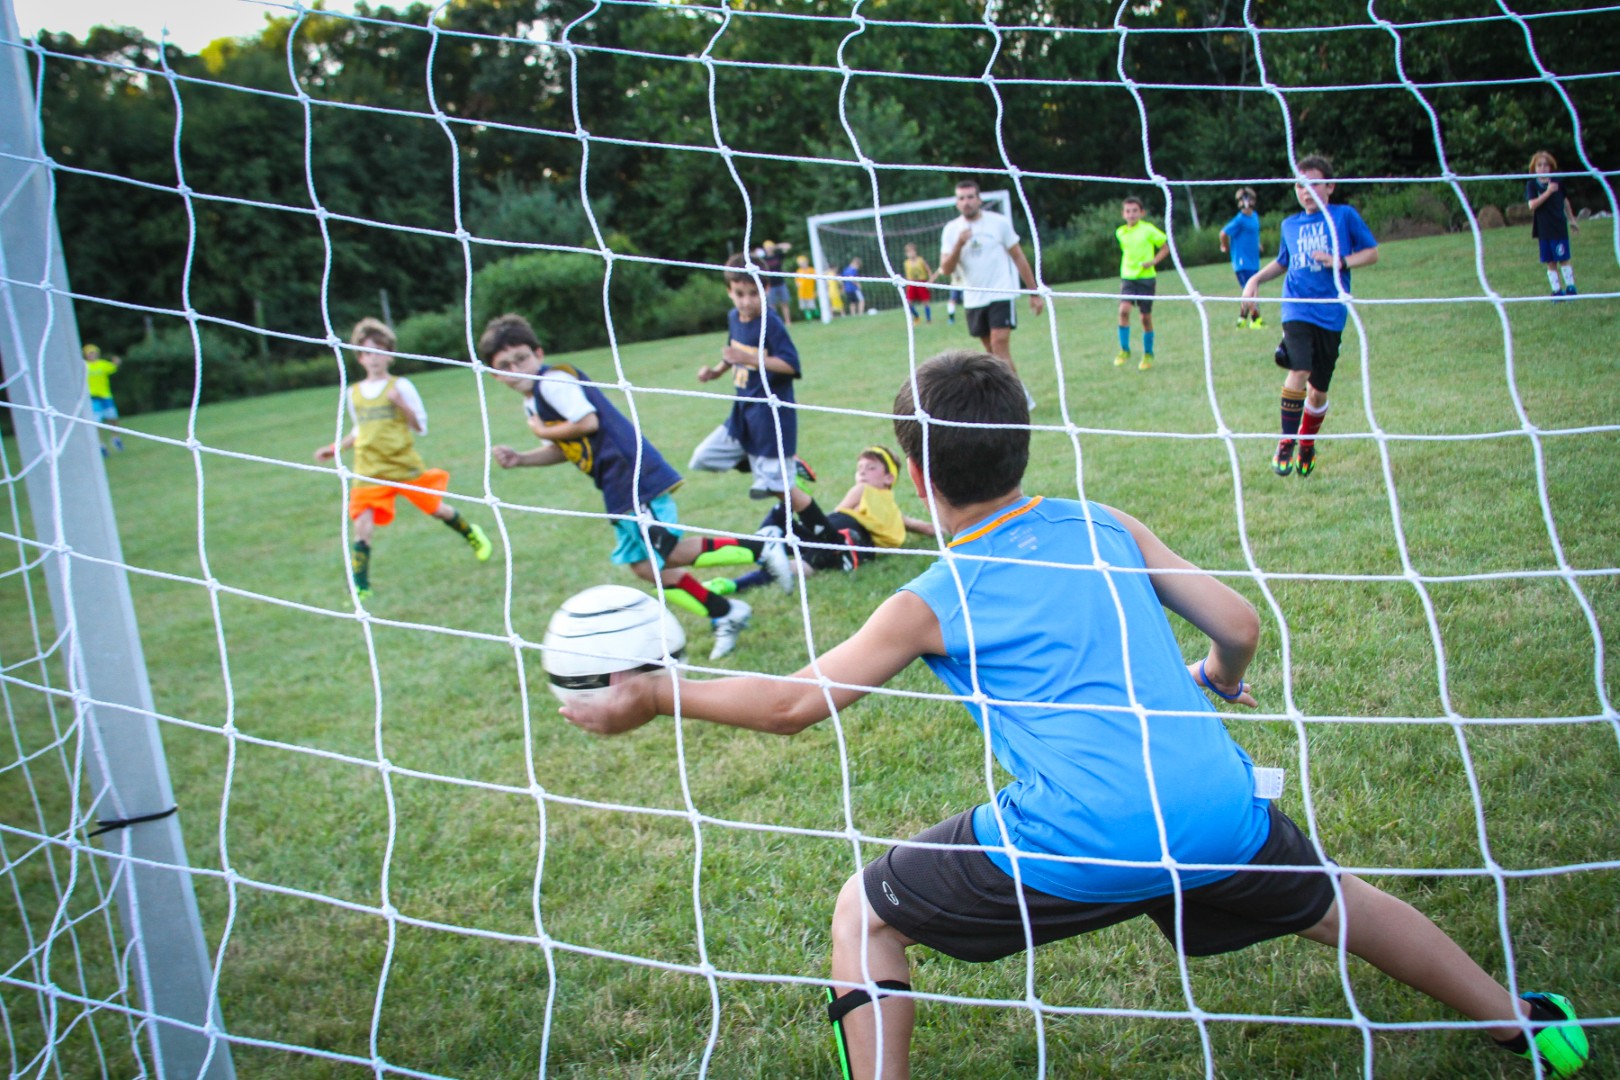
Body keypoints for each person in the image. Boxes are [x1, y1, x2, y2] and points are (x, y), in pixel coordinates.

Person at [562, 350, 1590, 1080]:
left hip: (1079, 837)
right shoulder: (1105, 523)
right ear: (1020, 447)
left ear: (914, 473)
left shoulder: (931, 597)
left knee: (864, 914)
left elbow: (794, 704)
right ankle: (1520, 1024)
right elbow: (1238, 622)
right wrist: (1219, 675)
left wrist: (654, 691)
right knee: (1335, 903)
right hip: (1212, 807)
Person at [479, 313, 791, 660]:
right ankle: (725, 612)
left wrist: (541, 431)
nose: (516, 370)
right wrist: (522, 458)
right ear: (494, 374)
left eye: (521, 359)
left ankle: (760, 546)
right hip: (613, 484)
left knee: (666, 551)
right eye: (505, 366)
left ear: (538, 353)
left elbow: (587, 422)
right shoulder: (533, 401)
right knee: (645, 566)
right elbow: (566, 448)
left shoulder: (553, 382)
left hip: (632, 472)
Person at [314, 317, 492, 601]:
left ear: (390, 355)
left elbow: (421, 426)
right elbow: (360, 430)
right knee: (362, 525)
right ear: (360, 358)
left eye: (380, 351)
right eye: (368, 352)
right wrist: (336, 448)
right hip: (368, 468)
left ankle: (471, 533)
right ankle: (361, 585)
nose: (374, 358)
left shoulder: (401, 387)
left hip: (403, 465)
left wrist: (401, 405)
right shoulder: (353, 393)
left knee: (436, 509)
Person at [1242, 155, 1378, 479]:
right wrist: (1255, 279)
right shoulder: (1290, 225)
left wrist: (1340, 261)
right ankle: (1286, 441)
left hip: (1331, 314)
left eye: (1314, 183)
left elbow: (1372, 253)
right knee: (1299, 368)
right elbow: (1283, 262)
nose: (1307, 191)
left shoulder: (1344, 216)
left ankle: (1306, 441)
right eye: (1300, 185)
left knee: (1317, 392)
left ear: (1330, 186)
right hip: (1296, 308)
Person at [691, 256, 837, 557]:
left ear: (766, 289)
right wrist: (715, 372)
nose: (746, 301)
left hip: (771, 418)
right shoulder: (734, 318)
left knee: (780, 489)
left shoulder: (771, 323)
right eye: (739, 294)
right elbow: (733, 351)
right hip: (741, 414)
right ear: (729, 292)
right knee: (702, 458)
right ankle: (773, 464)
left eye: (753, 294)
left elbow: (791, 365)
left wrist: (749, 359)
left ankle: (832, 545)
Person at [714, 444, 937, 592]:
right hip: (845, 548)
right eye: (859, 468)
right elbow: (924, 528)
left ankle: (785, 497)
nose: (862, 472)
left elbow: (835, 514)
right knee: (798, 565)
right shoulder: (890, 511)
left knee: (792, 551)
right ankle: (732, 584)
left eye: (871, 468)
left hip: (837, 538)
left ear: (889, 478)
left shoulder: (865, 492)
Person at [938, 179, 1044, 408]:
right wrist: (959, 244)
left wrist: (1033, 291)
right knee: (992, 355)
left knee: (999, 344)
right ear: (957, 203)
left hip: (1000, 293)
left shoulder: (999, 223)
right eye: (962, 198)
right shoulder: (951, 230)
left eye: (970, 197)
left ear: (979, 199)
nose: (966, 202)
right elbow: (945, 269)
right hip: (973, 299)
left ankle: (1018, 401)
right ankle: (1015, 393)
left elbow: (1018, 256)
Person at [1114, 195, 1169, 371]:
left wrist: (1153, 262)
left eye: (1135, 211)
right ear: (1123, 214)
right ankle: (1125, 350)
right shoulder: (1120, 232)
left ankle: (1148, 353)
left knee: (1145, 318)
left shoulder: (1148, 230)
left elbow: (1165, 247)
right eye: (1128, 211)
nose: (1131, 214)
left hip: (1146, 279)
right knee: (1123, 311)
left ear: (1142, 213)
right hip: (1128, 278)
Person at [1526, 150, 1580, 300]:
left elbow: (1565, 201)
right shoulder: (1532, 184)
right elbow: (1532, 205)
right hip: (1543, 229)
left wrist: (1572, 220)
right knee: (1550, 261)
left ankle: (1571, 288)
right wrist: (1548, 192)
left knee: (1563, 257)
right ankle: (1556, 291)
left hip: (1558, 226)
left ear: (1551, 167)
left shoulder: (1557, 182)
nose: (1543, 168)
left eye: (1546, 165)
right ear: (1534, 168)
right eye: (1539, 165)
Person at [1220, 186, 1265, 328]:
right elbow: (1223, 233)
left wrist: (1257, 244)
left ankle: (1242, 319)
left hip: (1253, 260)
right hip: (1242, 262)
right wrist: (1225, 246)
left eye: (1248, 199)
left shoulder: (1254, 216)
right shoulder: (1239, 220)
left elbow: (1253, 233)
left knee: (1250, 290)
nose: (1246, 202)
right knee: (1250, 291)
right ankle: (1256, 320)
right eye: (1242, 199)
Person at [83, 344, 124, 454]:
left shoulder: (102, 364)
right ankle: (100, 444)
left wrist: (117, 361)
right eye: (90, 353)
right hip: (93, 398)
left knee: (112, 418)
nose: (92, 355)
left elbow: (114, 367)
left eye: (94, 352)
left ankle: (115, 438)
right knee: (96, 422)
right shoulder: (84, 366)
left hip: (106, 396)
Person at [758, 240, 795, 323]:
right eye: (767, 247)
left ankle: (788, 321)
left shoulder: (778, 256)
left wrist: (776, 246)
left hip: (781, 283)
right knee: (772, 305)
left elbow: (788, 246)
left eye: (770, 247)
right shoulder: (763, 259)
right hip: (770, 285)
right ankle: (775, 321)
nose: (769, 248)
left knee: (784, 303)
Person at [901, 244, 934, 325]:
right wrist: (907, 284)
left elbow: (928, 271)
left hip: (921, 282)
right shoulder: (906, 263)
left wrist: (930, 281)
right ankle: (916, 317)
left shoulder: (920, 260)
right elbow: (907, 274)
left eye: (912, 251)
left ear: (915, 251)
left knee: (925, 301)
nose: (911, 253)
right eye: (908, 252)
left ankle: (928, 320)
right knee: (908, 302)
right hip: (911, 283)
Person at [794, 254, 820, 322]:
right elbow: (797, 281)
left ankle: (817, 317)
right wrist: (798, 284)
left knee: (812, 306)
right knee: (805, 307)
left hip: (810, 292)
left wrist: (817, 290)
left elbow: (816, 279)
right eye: (801, 263)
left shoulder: (811, 270)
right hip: (802, 293)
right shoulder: (799, 271)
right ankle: (809, 319)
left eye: (803, 262)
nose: (803, 264)